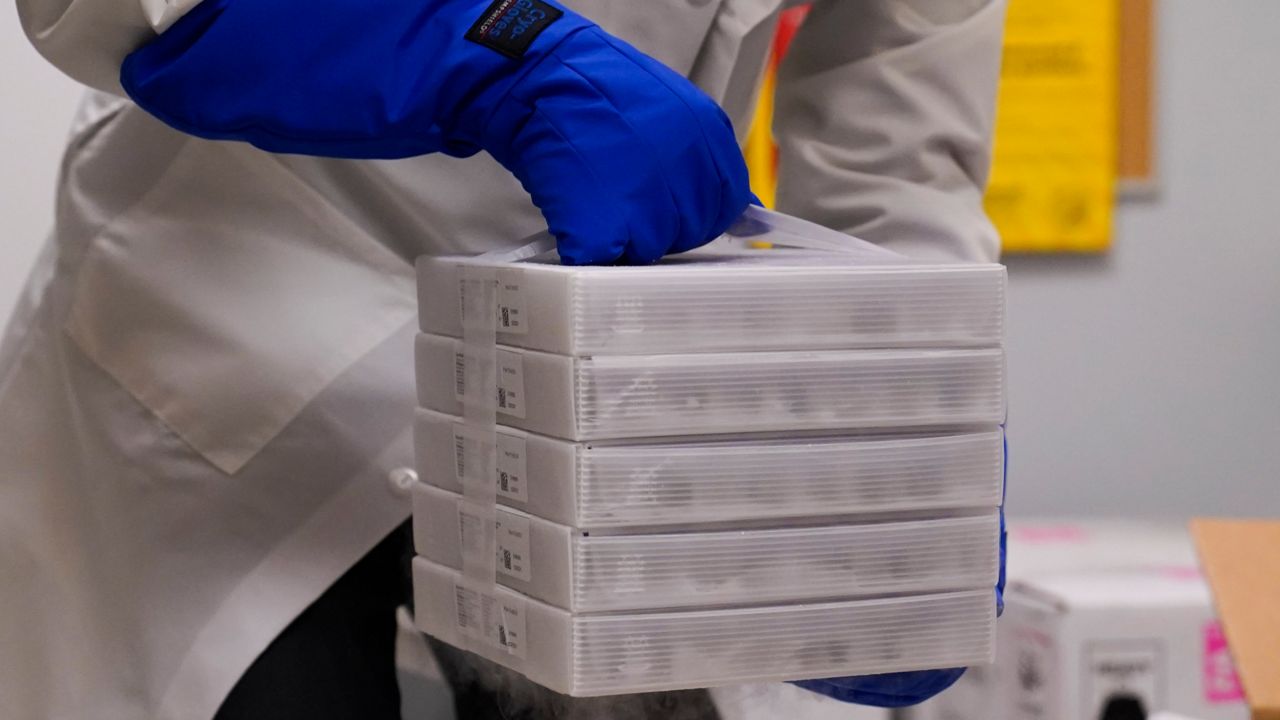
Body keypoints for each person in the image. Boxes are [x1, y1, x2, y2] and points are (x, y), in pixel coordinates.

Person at [1, 0, 1006, 717]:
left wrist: (915, 431)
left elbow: (898, 158)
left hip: (601, 376)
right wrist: (493, 47)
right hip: (250, 334)